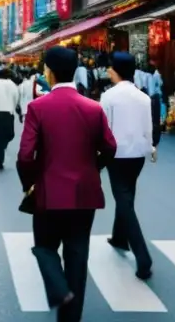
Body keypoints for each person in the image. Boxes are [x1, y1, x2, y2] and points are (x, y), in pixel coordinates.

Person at [18, 47, 117, 322]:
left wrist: (30, 183)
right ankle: (71, 316)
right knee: (77, 254)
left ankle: (59, 290)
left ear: (48, 71)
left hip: (48, 192)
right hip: (84, 192)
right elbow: (110, 147)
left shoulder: (38, 107)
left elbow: (25, 155)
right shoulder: (93, 108)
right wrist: (93, 168)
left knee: (45, 247)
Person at [100, 53, 157, 280]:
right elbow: (149, 128)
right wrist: (151, 147)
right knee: (127, 194)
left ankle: (143, 257)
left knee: (123, 200)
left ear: (115, 70)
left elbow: (104, 128)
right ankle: (119, 237)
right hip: (138, 154)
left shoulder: (109, 96)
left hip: (117, 153)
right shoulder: (143, 97)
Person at [0, 68, 20, 169]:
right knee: (10, 135)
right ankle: (2, 152)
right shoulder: (12, 84)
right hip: (8, 113)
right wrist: (15, 107)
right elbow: (16, 97)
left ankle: (1, 147)